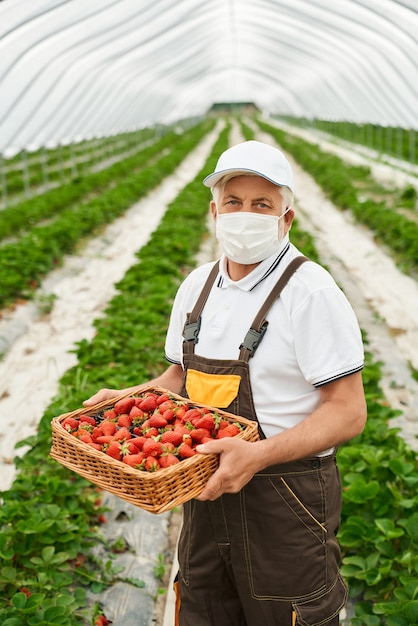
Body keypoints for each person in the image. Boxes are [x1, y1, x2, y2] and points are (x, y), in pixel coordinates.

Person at [84, 140, 367, 625]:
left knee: (288, 614)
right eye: (234, 202)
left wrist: (255, 456)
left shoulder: (311, 292)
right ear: (215, 211)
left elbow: (348, 410)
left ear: (287, 218)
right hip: (206, 491)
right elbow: (179, 377)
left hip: (287, 500)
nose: (245, 214)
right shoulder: (196, 286)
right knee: (203, 610)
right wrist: (128, 402)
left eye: (263, 204)